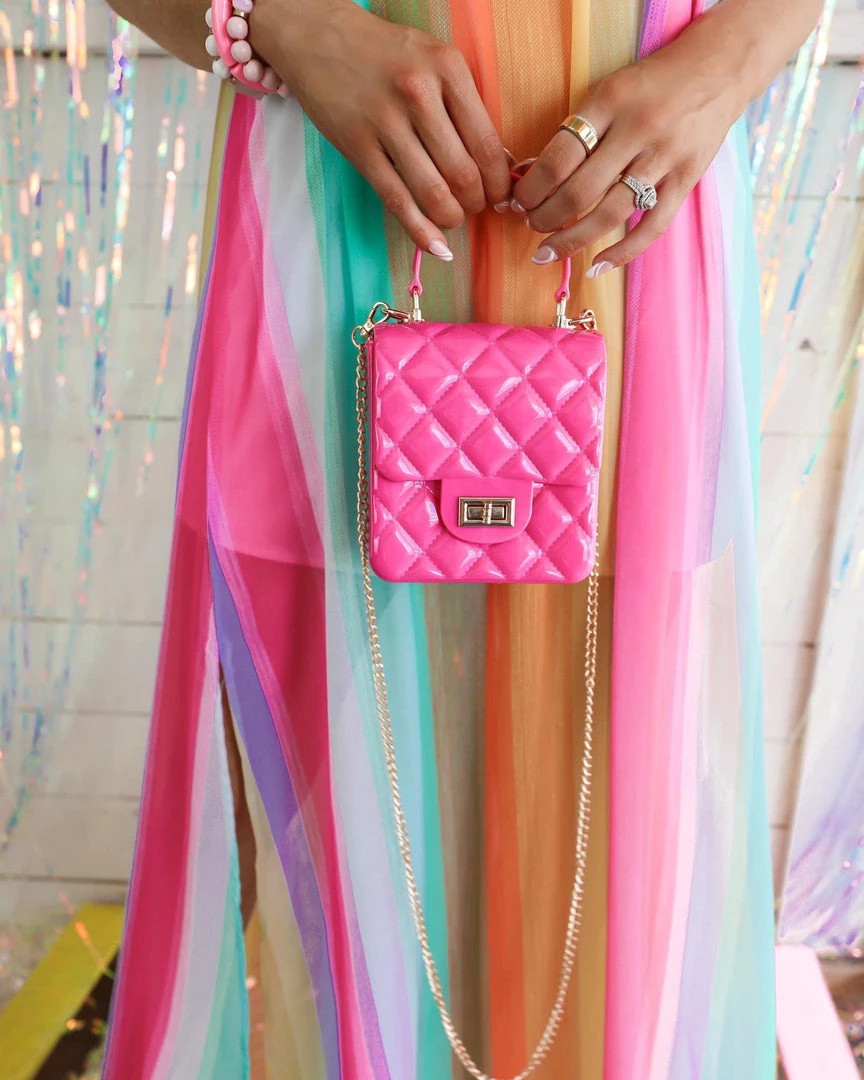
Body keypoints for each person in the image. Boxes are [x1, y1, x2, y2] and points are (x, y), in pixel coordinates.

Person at [101, 1, 823, 1077]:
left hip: (637, 233)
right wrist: (282, 22)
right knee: (338, 838)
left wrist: (727, 65)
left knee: (623, 837)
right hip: (331, 228)